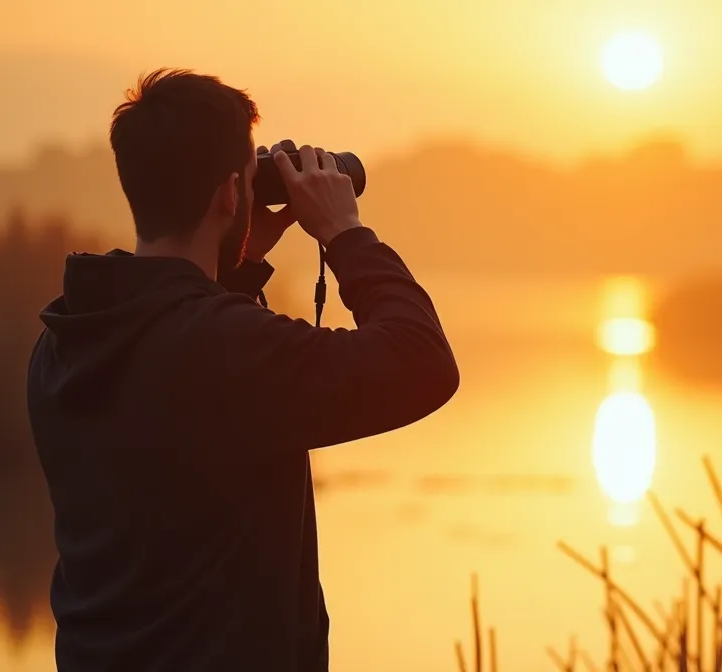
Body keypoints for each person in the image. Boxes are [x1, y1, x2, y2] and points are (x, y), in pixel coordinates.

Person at [26, 68, 459, 671]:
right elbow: (422, 362)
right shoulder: (224, 350)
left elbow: (177, 392)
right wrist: (344, 232)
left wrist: (235, 259)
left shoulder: (67, 340)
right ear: (231, 194)